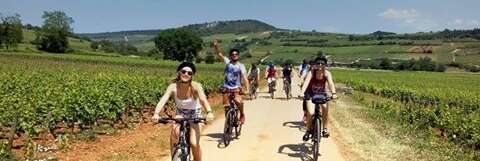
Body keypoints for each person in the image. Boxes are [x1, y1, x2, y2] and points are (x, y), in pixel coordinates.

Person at [152, 62, 214, 161]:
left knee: (194, 143)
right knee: (175, 132)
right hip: (180, 113)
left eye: (190, 73)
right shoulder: (173, 87)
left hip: (195, 114)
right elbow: (163, 100)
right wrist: (156, 113)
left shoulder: (196, 86)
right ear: (179, 72)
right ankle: (174, 156)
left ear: (192, 76)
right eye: (184, 71)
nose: (186, 74)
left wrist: (209, 112)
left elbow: (203, 100)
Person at [300, 56, 337, 140]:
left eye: (322, 63)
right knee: (311, 112)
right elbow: (306, 83)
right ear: (315, 65)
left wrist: (334, 93)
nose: (320, 65)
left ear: (325, 65)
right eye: (318, 63)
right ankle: (308, 131)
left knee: (325, 108)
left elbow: (331, 83)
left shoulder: (327, 73)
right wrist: (302, 93)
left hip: (321, 94)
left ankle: (325, 129)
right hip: (310, 94)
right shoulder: (311, 73)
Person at [213, 39, 249, 124]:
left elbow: (245, 78)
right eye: (233, 54)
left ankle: (242, 114)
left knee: (238, 101)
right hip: (227, 88)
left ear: (238, 56)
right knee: (226, 107)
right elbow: (219, 54)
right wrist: (216, 46)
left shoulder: (241, 66)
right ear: (230, 56)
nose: (234, 55)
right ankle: (228, 123)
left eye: (236, 54)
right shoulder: (228, 63)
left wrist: (247, 89)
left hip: (236, 88)